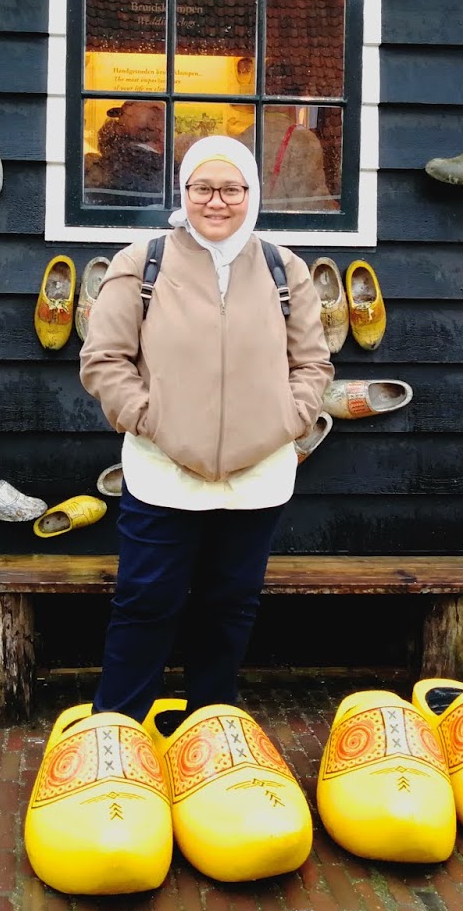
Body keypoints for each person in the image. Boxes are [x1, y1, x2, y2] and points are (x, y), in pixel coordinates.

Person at [78, 135, 334, 724]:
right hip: (163, 471)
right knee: (146, 603)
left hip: (256, 477)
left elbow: (312, 363)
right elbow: (104, 359)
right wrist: (150, 419)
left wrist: (288, 418)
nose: (216, 201)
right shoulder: (141, 262)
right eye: (202, 188)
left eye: (231, 189)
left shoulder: (284, 268)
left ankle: (211, 725)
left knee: (229, 608)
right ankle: (118, 728)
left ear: (252, 193)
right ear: (184, 191)